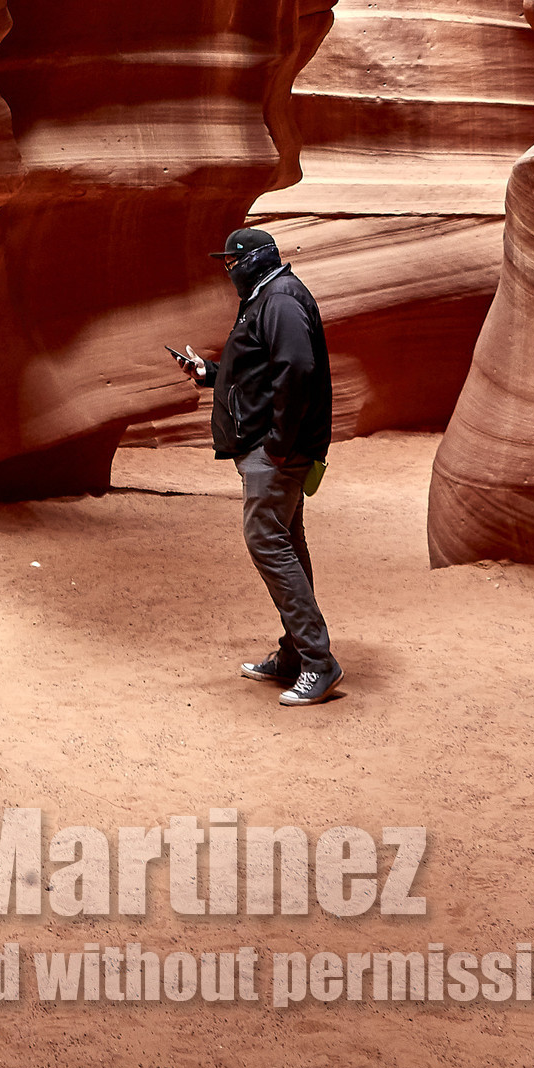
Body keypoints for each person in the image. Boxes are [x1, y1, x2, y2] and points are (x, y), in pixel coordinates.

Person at [172, 226, 341, 707]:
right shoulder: (265, 298)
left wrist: (280, 444)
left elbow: (297, 370)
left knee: (266, 540)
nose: (229, 270)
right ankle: (295, 653)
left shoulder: (280, 300)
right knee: (285, 541)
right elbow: (259, 370)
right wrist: (210, 372)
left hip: (276, 451)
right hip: (270, 447)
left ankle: (318, 661)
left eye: (233, 262)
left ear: (255, 260)